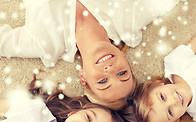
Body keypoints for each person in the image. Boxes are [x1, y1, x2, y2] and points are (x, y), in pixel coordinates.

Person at [0, 0, 180, 109]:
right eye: (122, 73)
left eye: (102, 81)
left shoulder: (45, 46)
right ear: (125, 59)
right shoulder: (129, 22)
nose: (110, 70)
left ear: (83, 77)